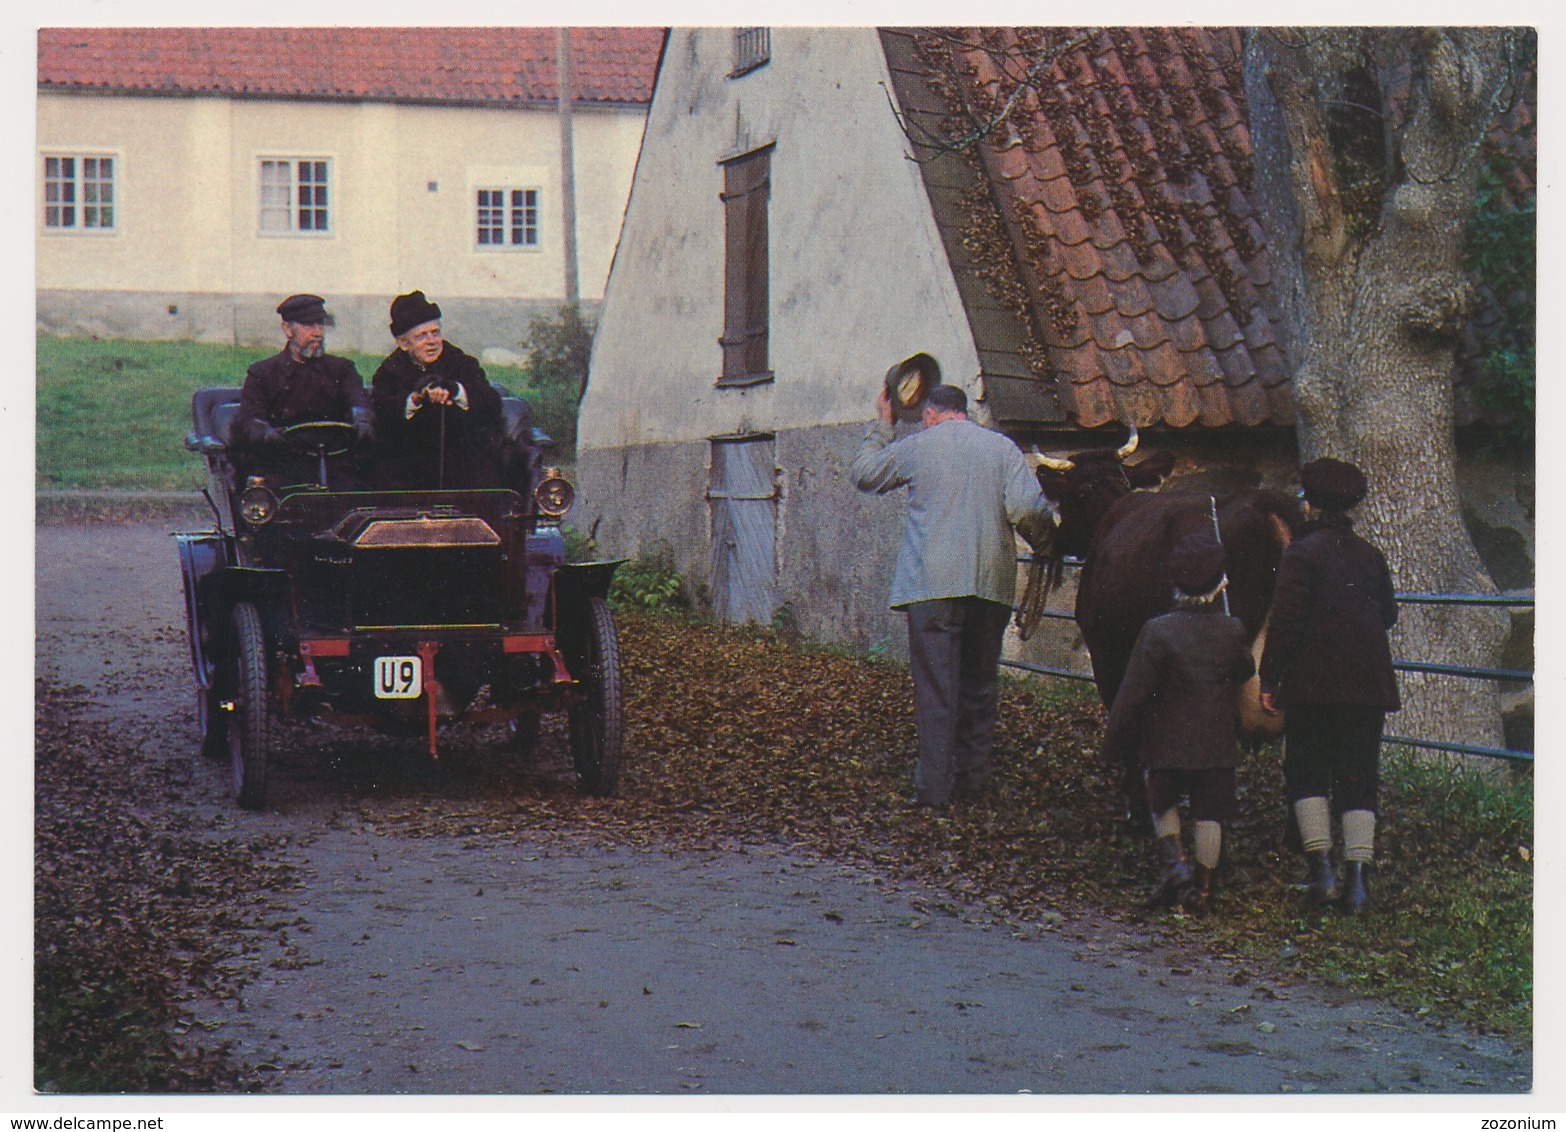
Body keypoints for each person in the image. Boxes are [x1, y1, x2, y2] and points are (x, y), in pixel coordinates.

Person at [852, 381, 1054, 808]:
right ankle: (974, 785)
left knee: (937, 690)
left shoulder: (921, 446)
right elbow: (1028, 511)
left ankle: (934, 792)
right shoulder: (1001, 449)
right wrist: (1046, 546)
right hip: (990, 586)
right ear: (966, 412)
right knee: (979, 686)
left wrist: (884, 423)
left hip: (932, 587)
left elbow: (865, 474)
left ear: (929, 414)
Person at [1259, 457, 1400, 913]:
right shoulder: (1369, 554)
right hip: (1366, 686)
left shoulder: (1299, 554)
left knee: (1307, 771)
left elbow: (1285, 622)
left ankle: (1321, 874)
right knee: (1359, 777)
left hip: (1314, 685)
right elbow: (1389, 615)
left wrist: (1270, 678)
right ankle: (1357, 884)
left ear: (1309, 504)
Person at [1100, 532, 1256, 912]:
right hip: (1215, 744)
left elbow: (1134, 690)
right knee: (1210, 814)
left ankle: (1175, 865)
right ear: (1221, 583)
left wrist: (1115, 742)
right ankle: (1203, 890)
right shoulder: (1231, 629)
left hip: (1165, 741)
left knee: (1161, 802)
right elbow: (1245, 669)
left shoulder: (1158, 631)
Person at [370, 291, 504, 490]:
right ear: (403, 343)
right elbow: (383, 414)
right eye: (421, 336)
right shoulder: (389, 371)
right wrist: (415, 400)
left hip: (462, 460)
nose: (431, 341)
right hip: (408, 464)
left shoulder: (460, 362)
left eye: (435, 332)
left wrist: (456, 391)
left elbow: (491, 403)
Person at [235, 294, 372, 487]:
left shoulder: (342, 370)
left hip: (335, 459)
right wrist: (268, 435)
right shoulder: (263, 374)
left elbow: (359, 400)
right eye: (308, 326)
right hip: (283, 463)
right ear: (287, 329)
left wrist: (362, 419)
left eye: (320, 325)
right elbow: (249, 421)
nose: (318, 333)